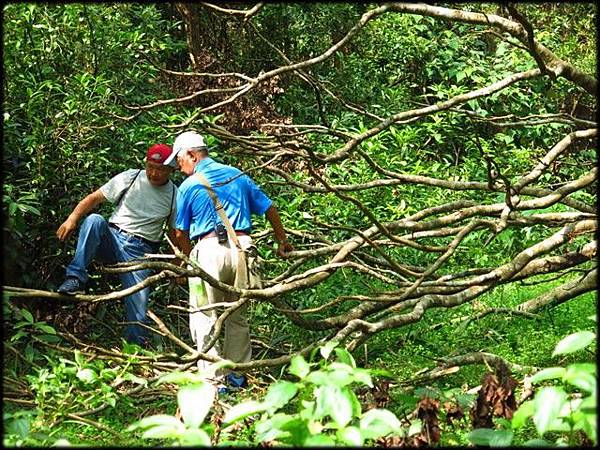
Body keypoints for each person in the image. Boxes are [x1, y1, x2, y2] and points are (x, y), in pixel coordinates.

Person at [165, 131, 293, 389]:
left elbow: (180, 231)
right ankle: (237, 376)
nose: (179, 168)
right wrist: (282, 241)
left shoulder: (189, 186)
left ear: (192, 155)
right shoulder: (237, 174)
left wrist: (188, 259)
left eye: (179, 161)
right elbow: (269, 207)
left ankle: (212, 381)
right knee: (237, 316)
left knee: (204, 315)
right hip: (243, 250)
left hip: (208, 251)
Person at [56, 144, 178, 346]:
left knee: (139, 313)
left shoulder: (174, 195)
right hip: (112, 239)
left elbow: (175, 233)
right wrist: (72, 219)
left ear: (171, 170)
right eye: (150, 167)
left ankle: (134, 353)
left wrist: (179, 263)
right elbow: (94, 198)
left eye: (161, 169)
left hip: (140, 253)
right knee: (95, 219)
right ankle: (75, 278)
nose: (154, 173)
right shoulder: (131, 177)